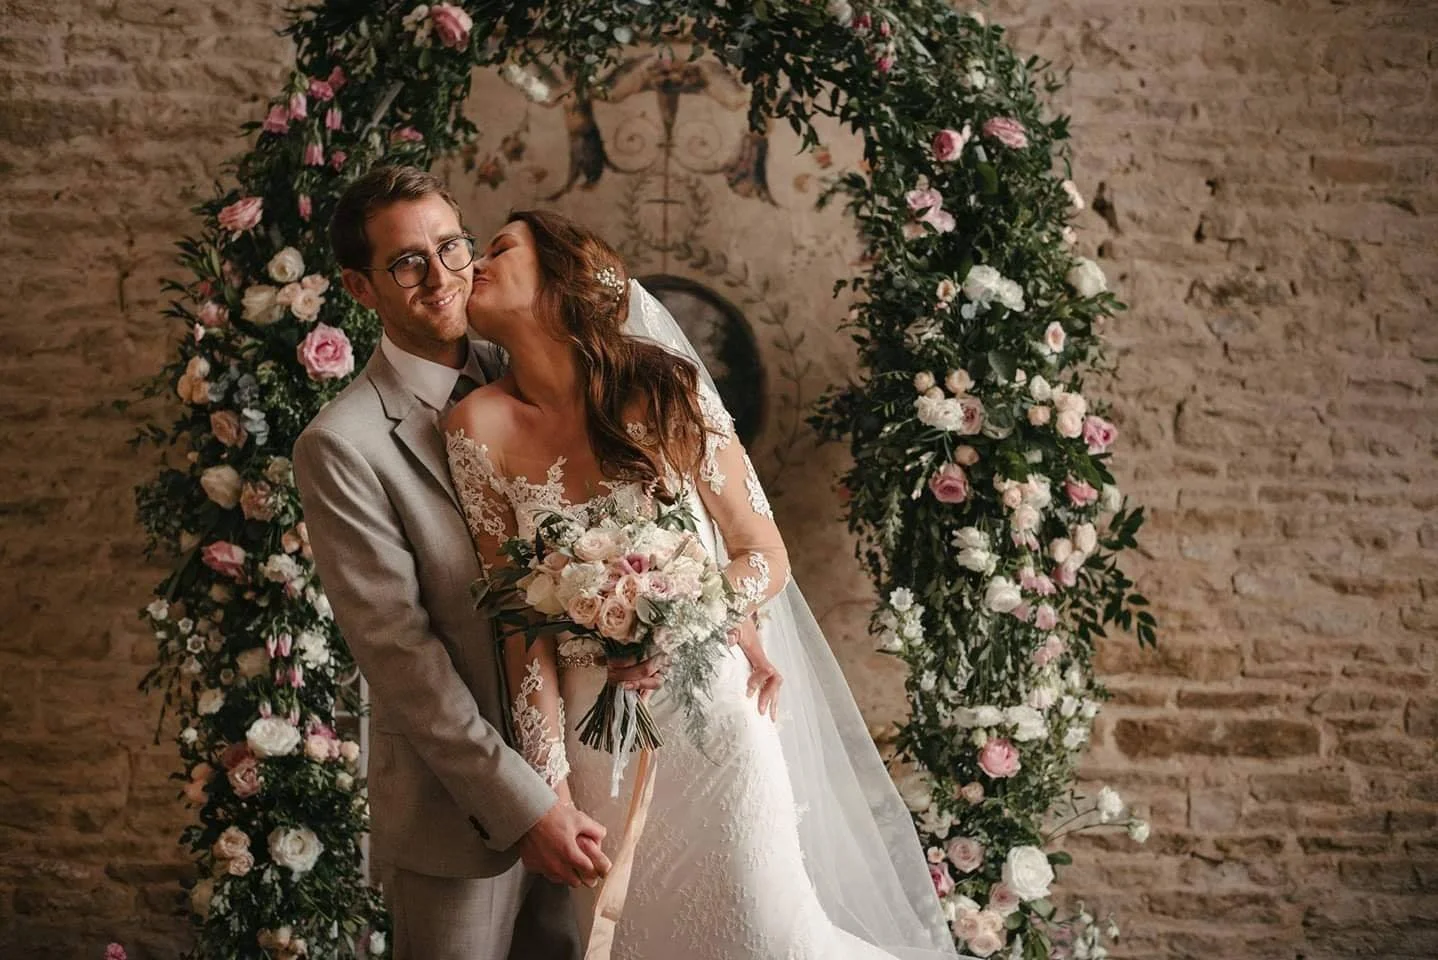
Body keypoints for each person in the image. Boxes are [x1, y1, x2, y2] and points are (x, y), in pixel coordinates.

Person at [444, 209, 960, 960]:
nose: (476, 263)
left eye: (500, 249)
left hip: (715, 716)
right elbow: (520, 627)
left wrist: (681, 621)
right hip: (600, 750)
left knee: (765, 934)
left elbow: (761, 554)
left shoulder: (663, 387)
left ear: (561, 277)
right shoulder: (473, 426)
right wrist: (548, 790)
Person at [294, 166, 622, 960]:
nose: (439, 276)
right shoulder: (343, 446)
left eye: (451, 247)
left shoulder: (538, 371)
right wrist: (525, 806)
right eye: (407, 261)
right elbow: (402, 657)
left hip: (593, 775)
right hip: (463, 816)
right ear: (360, 287)